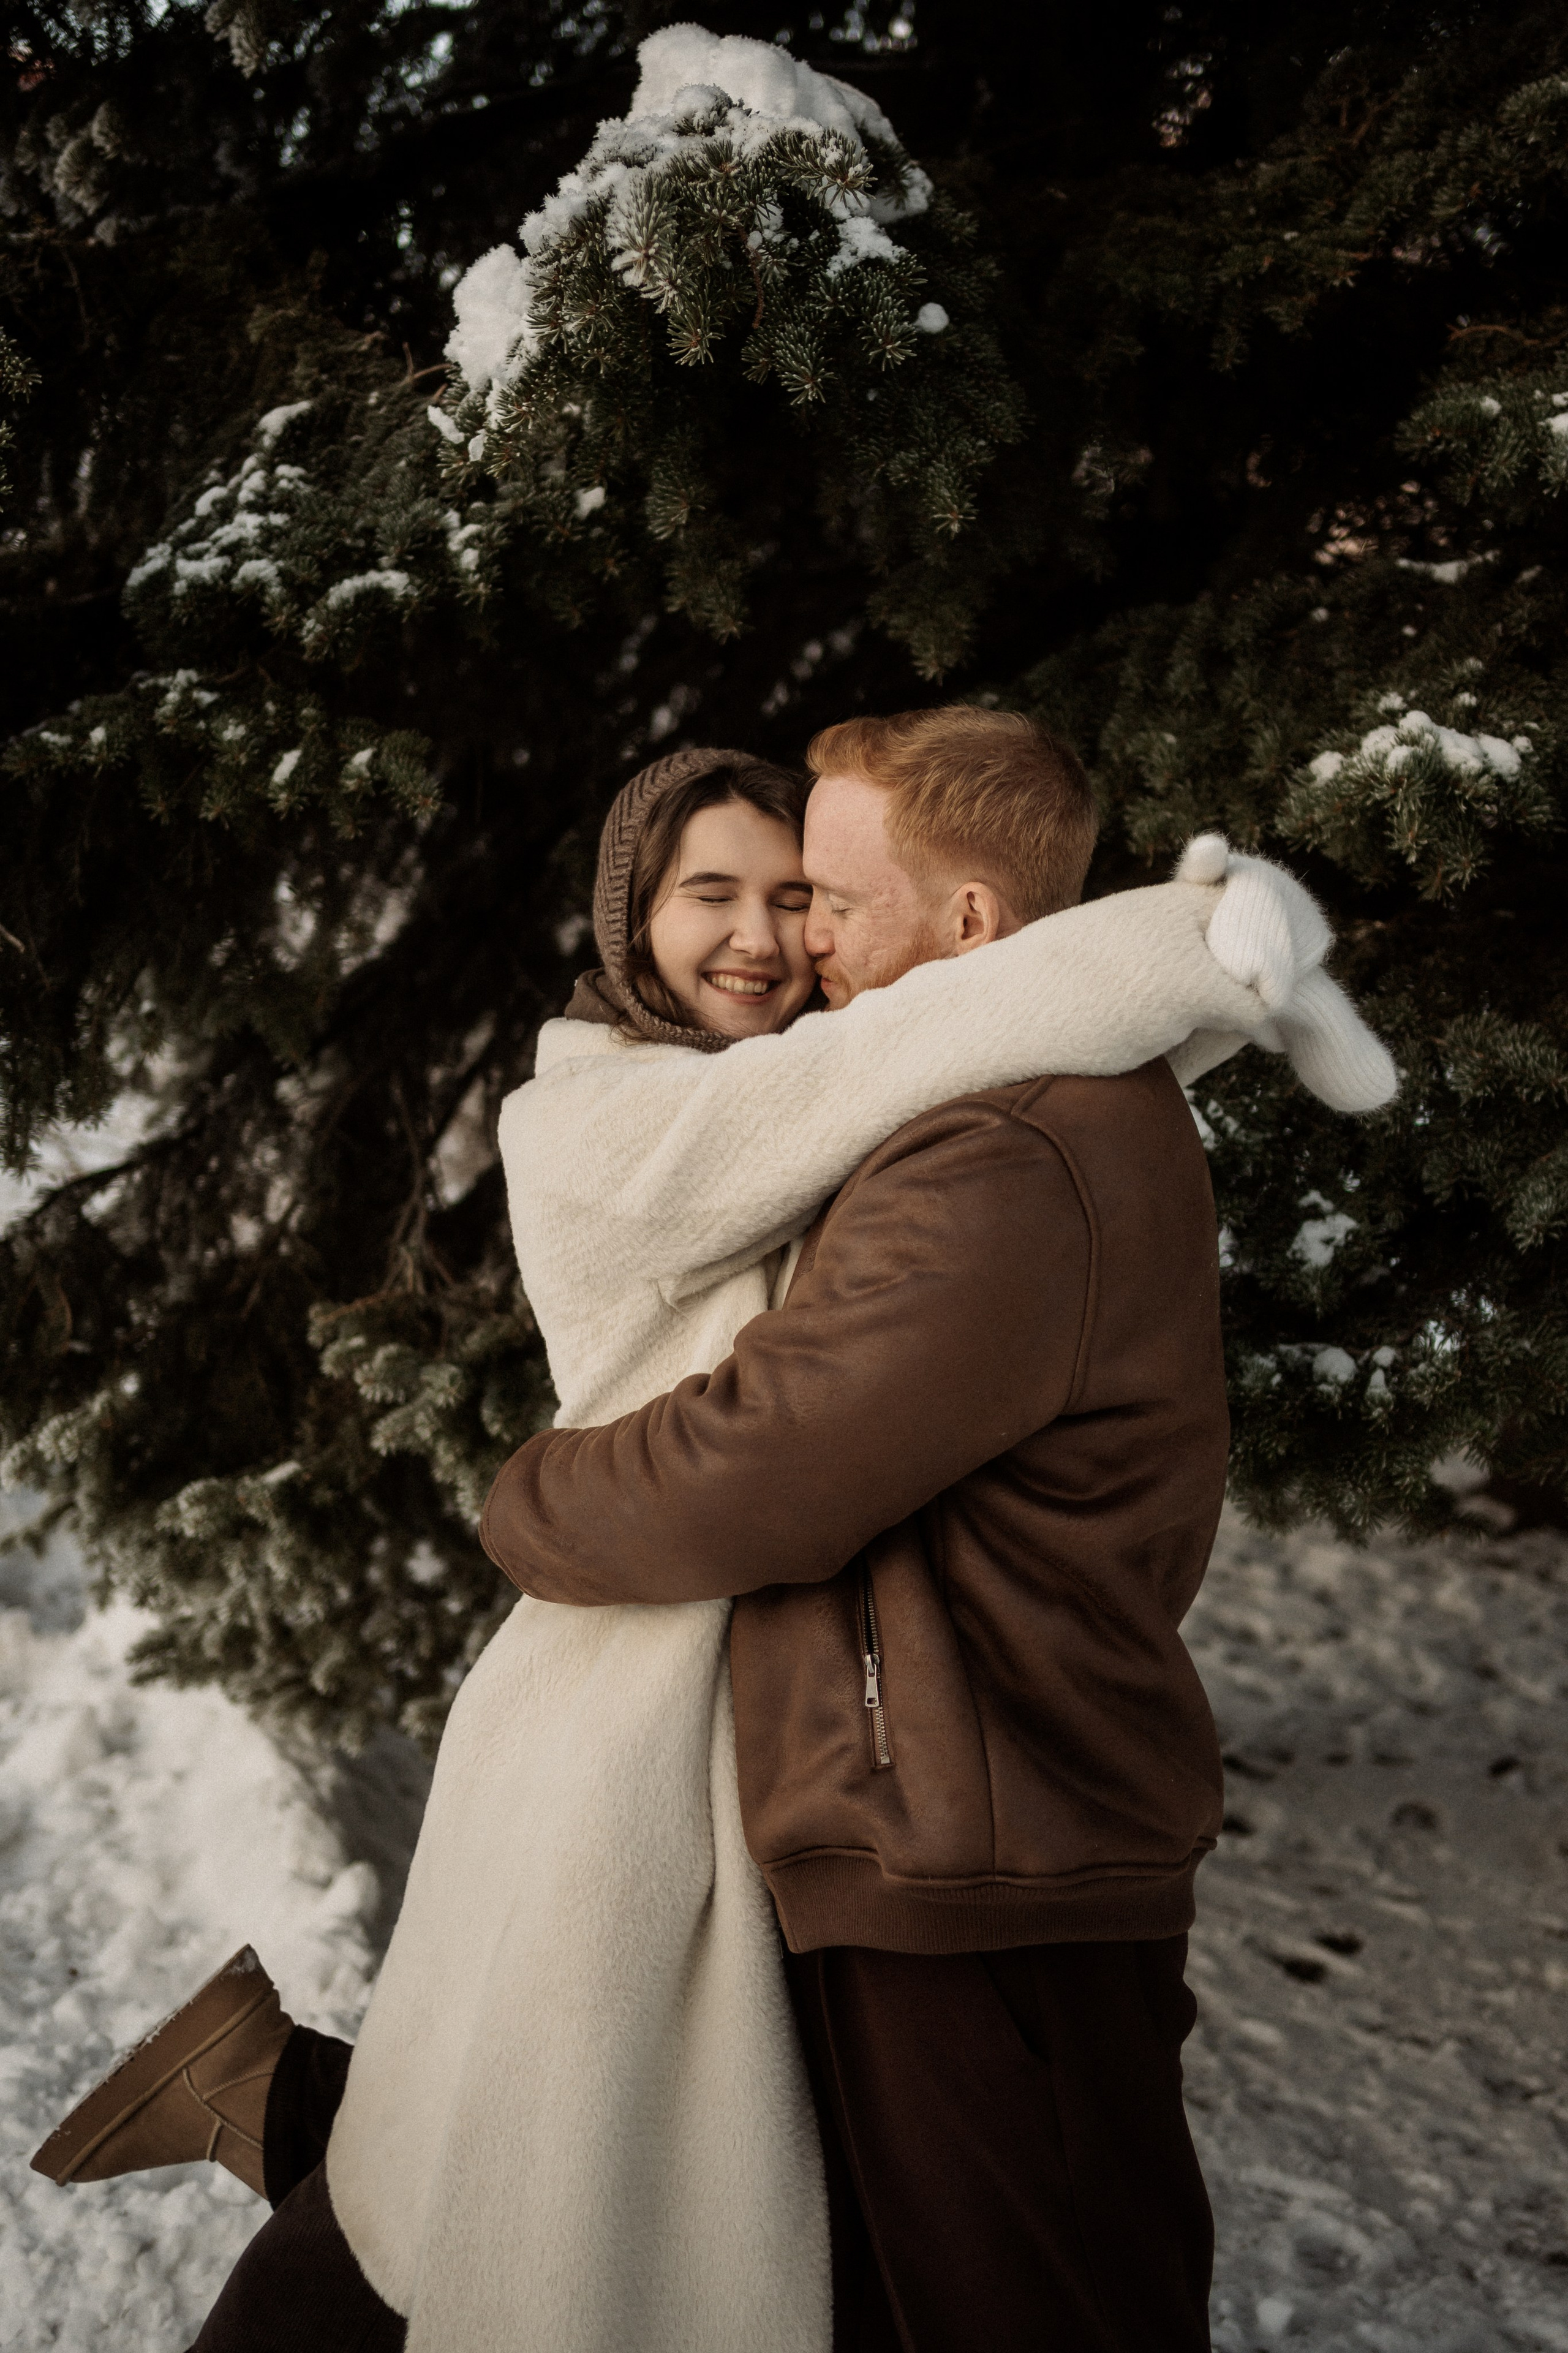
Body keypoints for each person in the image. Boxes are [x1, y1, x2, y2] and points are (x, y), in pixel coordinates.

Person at [32, 711, 1394, 2352]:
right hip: (864, 1766)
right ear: (632, 922)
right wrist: (1198, 950)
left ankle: (274, 2105)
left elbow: (762, 1461)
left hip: (972, 1802)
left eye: (822, 891)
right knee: (630, 2192)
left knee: (648, 2187)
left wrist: (526, 1492)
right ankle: (281, 2136)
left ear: (967, 928)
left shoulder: (1002, 1140)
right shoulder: (732, 1113)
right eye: (729, 895)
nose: (793, 933)